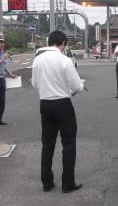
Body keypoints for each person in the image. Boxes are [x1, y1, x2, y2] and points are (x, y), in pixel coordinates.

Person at [31, 30, 85, 193]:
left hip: (45, 104)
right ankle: (68, 183)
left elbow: (34, 83)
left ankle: (46, 182)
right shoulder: (65, 60)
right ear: (63, 43)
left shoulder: (37, 60)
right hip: (62, 104)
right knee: (68, 144)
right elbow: (76, 86)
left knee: (47, 144)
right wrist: (79, 87)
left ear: (49, 42)